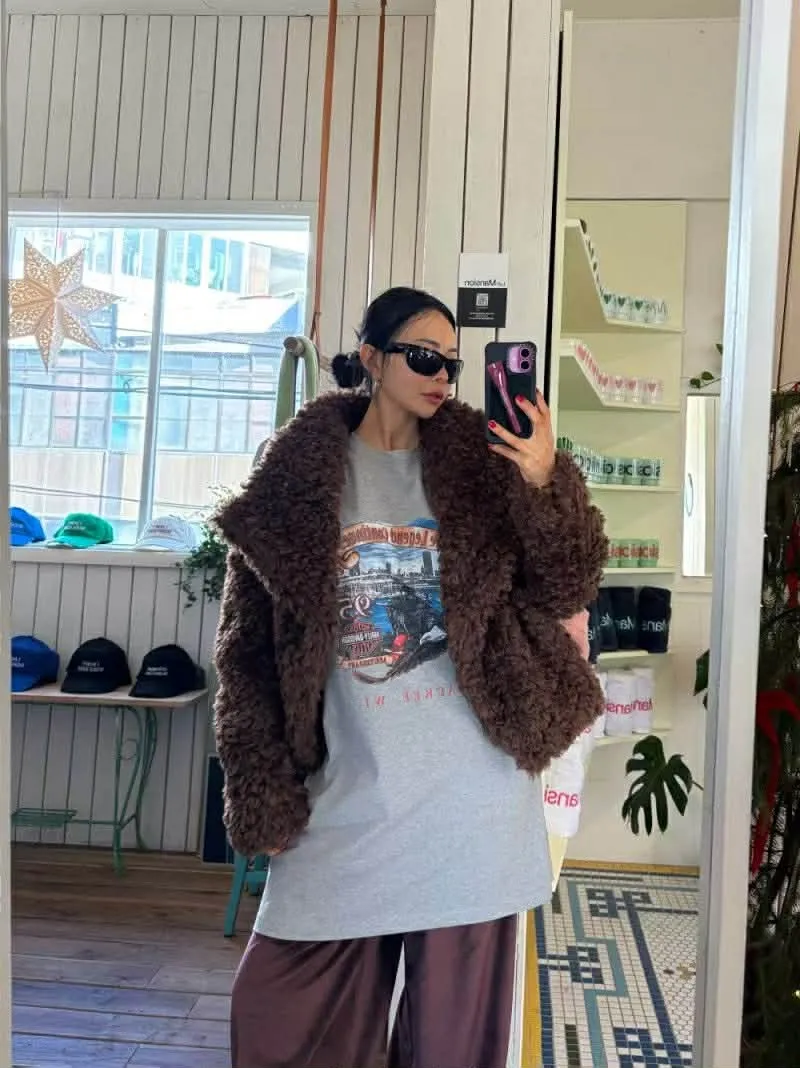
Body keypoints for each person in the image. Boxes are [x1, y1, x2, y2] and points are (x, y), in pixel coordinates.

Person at [213, 286, 607, 1068]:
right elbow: (246, 655)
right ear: (371, 357)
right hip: (349, 802)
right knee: (281, 1027)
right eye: (424, 357)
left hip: (474, 810)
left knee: (450, 1052)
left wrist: (543, 479)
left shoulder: (483, 466)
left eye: (452, 364)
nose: (442, 377)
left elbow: (567, 582)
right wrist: (262, 788)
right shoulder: (293, 475)